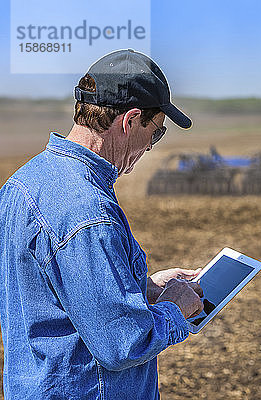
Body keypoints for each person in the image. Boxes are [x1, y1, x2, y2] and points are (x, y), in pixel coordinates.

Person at [0, 49, 204, 399]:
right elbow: (122, 343)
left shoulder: (22, 183)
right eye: (155, 133)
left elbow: (54, 298)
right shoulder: (88, 212)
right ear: (130, 121)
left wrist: (143, 287)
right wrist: (176, 309)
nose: (150, 147)